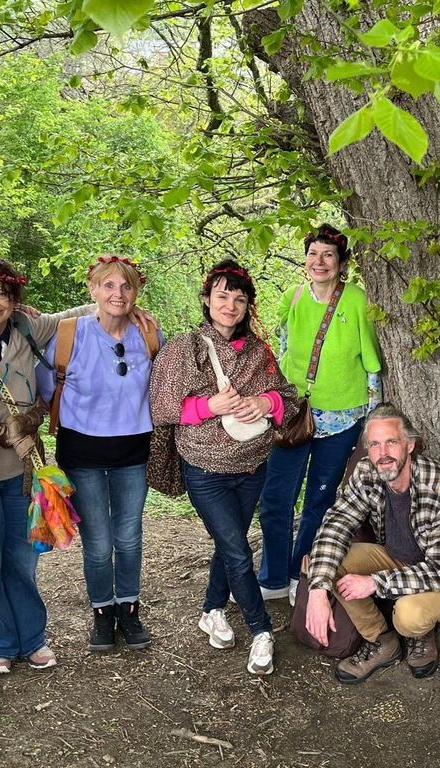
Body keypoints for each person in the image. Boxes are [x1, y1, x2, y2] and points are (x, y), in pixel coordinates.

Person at [0, 257, 154, 674]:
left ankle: (31, 638)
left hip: (24, 464)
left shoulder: (28, 329)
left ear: (14, 299)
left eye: (2, 294)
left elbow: (87, 311)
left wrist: (130, 306)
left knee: (24, 557)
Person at [150, 259, 298, 675]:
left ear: (248, 305)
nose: (230, 305)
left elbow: (288, 398)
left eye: (239, 298)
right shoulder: (185, 348)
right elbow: (162, 407)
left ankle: (212, 609)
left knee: (227, 543)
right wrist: (208, 406)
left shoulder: (258, 352)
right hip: (205, 469)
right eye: (222, 296)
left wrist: (265, 402)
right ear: (206, 299)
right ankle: (261, 631)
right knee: (237, 549)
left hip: (252, 467)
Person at [305, 404, 440, 685]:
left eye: (391, 442)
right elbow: (336, 523)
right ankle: (381, 641)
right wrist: (318, 589)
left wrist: (375, 583)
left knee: (408, 615)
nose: (383, 453)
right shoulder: (367, 472)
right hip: (395, 559)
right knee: (332, 563)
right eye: (375, 445)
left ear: (409, 445)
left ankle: (420, 635)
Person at [257, 224, 382, 604]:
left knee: (319, 501)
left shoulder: (357, 300)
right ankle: (273, 577)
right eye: (313, 253)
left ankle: (302, 573)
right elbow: (279, 350)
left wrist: (372, 418)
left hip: (343, 418)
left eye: (329, 254)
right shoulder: (293, 297)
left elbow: (372, 364)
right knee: (276, 499)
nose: (320, 261)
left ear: (342, 263)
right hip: (295, 413)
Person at [44, 255, 161, 652]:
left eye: (126, 286)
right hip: (82, 454)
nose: (118, 294)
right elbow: (47, 387)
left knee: (128, 537)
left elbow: (162, 385)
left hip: (133, 452)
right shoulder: (69, 334)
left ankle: (128, 607)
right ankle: (102, 611)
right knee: (97, 542)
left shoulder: (148, 334)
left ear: (136, 292)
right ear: (93, 290)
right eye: (108, 285)